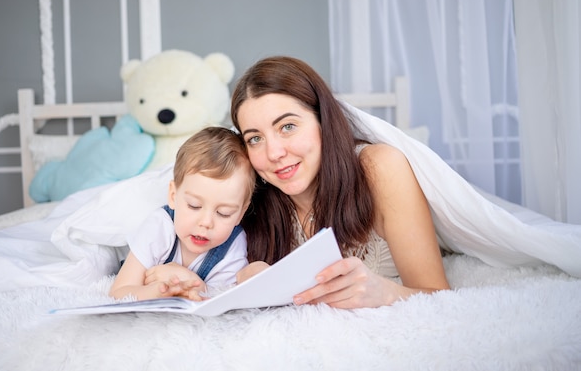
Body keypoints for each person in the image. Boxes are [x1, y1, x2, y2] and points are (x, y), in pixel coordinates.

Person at [230, 56, 450, 309]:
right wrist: (250, 275)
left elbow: (438, 296)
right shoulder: (252, 190)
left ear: (324, 121)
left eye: (288, 126)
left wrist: (385, 293)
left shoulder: (380, 167)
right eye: (255, 139)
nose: (274, 153)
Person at [109, 126, 255, 301]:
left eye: (224, 213)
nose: (206, 222)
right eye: (194, 206)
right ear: (173, 196)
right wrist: (159, 292)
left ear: (241, 212)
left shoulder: (233, 246)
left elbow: (219, 301)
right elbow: (119, 292)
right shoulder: (159, 227)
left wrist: (196, 284)